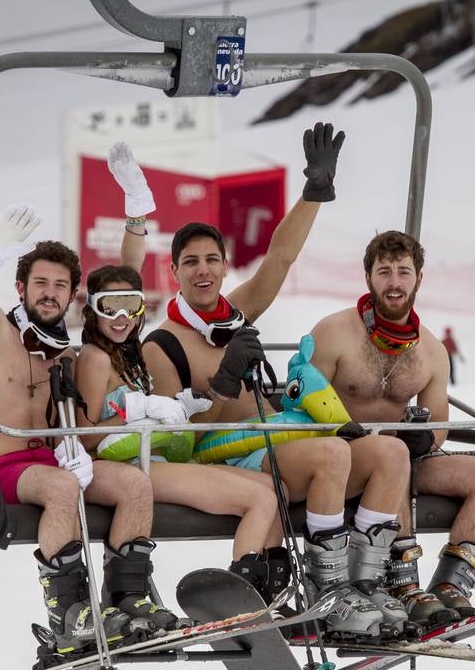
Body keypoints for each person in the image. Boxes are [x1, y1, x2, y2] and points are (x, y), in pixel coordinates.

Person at [141, 123, 413, 639]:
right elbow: (178, 439)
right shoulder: (164, 343)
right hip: (228, 455)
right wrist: (224, 379)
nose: (203, 272)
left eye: (212, 261)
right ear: (172, 272)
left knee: (391, 453)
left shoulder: (234, 313)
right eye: (190, 263)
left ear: (224, 267)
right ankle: (325, 589)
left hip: (279, 440)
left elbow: (280, 259)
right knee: (333, 453)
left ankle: (367, 584)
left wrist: (314, 194)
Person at [0, 144, 170, 659]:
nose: (50, 293)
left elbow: (123, 284)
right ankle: (70, 615)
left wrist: (137, 211)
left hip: (54, 462)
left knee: (135, 485)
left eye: (60, 285)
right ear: (22, 287)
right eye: (40, 284)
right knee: (61, 487)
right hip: (3, 467)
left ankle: (128, 600)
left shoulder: (64, 350)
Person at [307, 230, 475, 628]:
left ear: (419, 278)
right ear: (369, 278)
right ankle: (401, 583)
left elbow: (437, 426)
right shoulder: (333, 333)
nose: (394, 282)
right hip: (343, 460)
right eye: (385, 272)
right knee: (390, 453)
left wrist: (425, 437)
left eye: (403, 271)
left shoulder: (431, 352)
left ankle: (452, 586)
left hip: (400, 457)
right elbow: (300, 406)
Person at [74, 263, 291, 604]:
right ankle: (239, 600)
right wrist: (136, 412)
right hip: (124, 464)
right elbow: (82, 437)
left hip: (151, 457)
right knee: (260, 498)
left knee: (274, 488)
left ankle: (270, 594)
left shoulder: (128, 353)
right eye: (108, 306)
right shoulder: (95, 357)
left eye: (130, 306)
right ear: (92, 311)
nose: (120, 317)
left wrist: (184, 406)